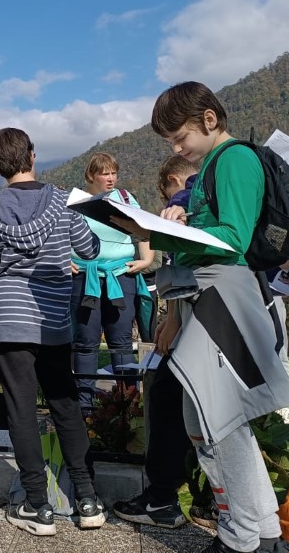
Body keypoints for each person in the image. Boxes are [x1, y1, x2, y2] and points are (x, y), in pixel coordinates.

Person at [113, 82, 289, 553]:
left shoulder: (233, 159)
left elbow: (233, 236)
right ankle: (263, 533)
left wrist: (169, 229)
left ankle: (241, 537)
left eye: (180, 138)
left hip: (222, 297)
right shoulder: (216, 163)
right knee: (215, 419)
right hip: (210, 296)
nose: (177, 149)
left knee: (217, 420)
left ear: (209, 119)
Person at [0, 127, 105, 536]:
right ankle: (87, 498)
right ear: (32, 155)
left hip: (9, 320)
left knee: (21, 410)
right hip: (52, 322)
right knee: (65, 404)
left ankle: (37, 504)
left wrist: (8, 266)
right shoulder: (64, 201)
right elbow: (91, 249)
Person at [114, 154, 205, 531]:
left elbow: (185, 267)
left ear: (173, 181)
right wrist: (172, 317)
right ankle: (181, 496)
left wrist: (174, 320)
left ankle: (163, 498)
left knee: (168, 402)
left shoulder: (187, 202)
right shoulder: (208, 199)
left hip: (197, 325)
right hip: (193, 319)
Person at [71, 152, 154, 411]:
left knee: (121, 342)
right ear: (91, 175)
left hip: (122, 276)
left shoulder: (126, 199)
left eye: (113, 173)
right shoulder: (75, 201)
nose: (110, 178)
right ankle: (85, 408)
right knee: (85, 343)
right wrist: (64, 259)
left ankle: (128, 407)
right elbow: (60, 234)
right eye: (104, 173)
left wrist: (146, 260)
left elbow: (143, 230)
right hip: (85, 277)